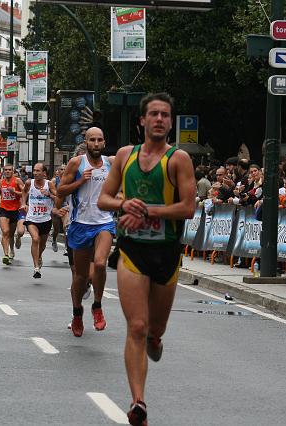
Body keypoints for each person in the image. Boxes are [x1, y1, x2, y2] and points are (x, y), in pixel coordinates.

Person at [97, 93, 196, 426]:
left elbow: (188, 208)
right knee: (136, 326)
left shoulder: (179, 159)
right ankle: (138, 401)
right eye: (153, 114)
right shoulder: (125, 156)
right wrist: (124, 205)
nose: (159, 119)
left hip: (166, 252)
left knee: (155, 327)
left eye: (165, 115)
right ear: (142, 121)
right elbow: (104, 199)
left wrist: (146, 210)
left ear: (170, 122)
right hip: (133, 251)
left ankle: (157, 336)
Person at [57, 127, 115, 337]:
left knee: (100, 263)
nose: (96, 143)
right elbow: (60, 191)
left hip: (104, 222)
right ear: (86, 142)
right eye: (92, 140)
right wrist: (81, 181)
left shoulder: (111, 163)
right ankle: (77, 313)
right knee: (80, 277)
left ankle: (97, 306)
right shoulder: (77, 163)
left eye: (100, 139)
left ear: (104, 142)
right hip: (80, 223)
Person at [21, 163, 56, 278]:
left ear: (44, 173)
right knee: (35, 239)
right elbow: (24, 191)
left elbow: (58, 197)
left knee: (42, 244)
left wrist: (49, 194)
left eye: (38, 171)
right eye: (34, 171)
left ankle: (39, 255)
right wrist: (24, 203)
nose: (35, 173)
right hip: (32, 218)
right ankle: (36, 267)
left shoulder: (49, 184)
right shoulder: (29, 183)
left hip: (46, 219)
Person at [0, 164, 23, 265]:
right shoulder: (0, 182)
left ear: (13, 171)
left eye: (10, 170)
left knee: (11, 234)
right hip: (4, 210)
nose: (7, 171)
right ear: (3, 171)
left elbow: (25, 193)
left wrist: (14, 191)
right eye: (6, 170)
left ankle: (13, 248)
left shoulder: (17, 181)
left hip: (15, 210)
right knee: (5, 232)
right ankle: (6, 255)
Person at [50, 165, 66, 252]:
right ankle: (54, 240)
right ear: (58, 171)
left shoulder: (70, 180)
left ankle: (67, 248)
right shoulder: (54, 180)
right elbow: (49, 194)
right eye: (61, 169)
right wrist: (57, 197)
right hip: (55, 206)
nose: (63, 171)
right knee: (56, 229)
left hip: (65, 206)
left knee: (65, 227)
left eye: (65, 169)